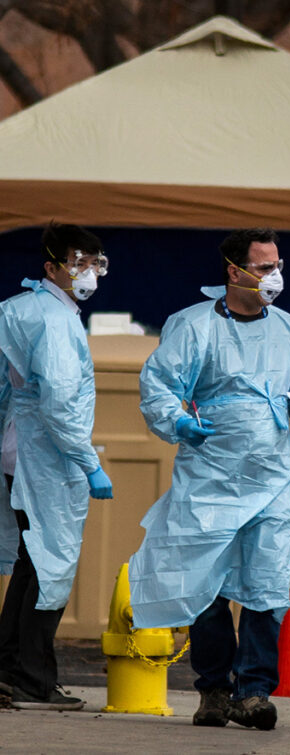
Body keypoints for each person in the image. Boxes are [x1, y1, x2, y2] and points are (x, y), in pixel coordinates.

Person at [127, 228, 290, 731]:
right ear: (232, 270)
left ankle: (255, 691)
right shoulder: (193, 326)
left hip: (270, 476)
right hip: (209, 473)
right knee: (207, 582)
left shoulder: (287, 329)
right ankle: (214, 690)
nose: (274, 276)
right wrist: (178, 422)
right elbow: (159, 387)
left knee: (266, 584)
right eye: (263, 267)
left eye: (278, 265)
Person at [0, 222, 114, 711]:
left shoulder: (19, 307)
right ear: (52, 266)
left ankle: (10, 670)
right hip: (46, 457)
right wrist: (90, 465)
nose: (87, 272)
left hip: (17, 448)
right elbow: (61, 404)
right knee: (52, 564)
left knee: (32, 563)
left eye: (95, 262)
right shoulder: (55, 320)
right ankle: (33, 678)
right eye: (78, 262)